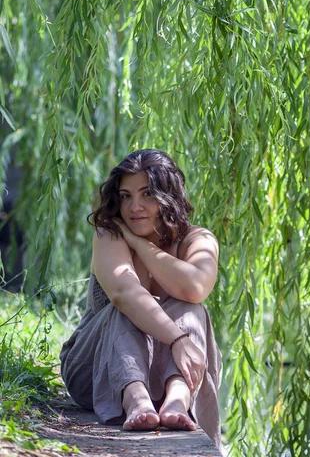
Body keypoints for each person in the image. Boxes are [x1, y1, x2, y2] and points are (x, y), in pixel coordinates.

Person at [60, 149, 222, 447]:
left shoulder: (198, 240)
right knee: (125, 307)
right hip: (95, 369)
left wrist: (140, 243)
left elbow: (195, 288)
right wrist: (178, 339)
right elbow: (124, 294)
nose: (134, 207)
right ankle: (135, 399)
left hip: (166, 373)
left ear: (168, 196)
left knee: (190, 306)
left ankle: (176, 398)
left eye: (147, 194)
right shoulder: (109, 234)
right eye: (125, 196)